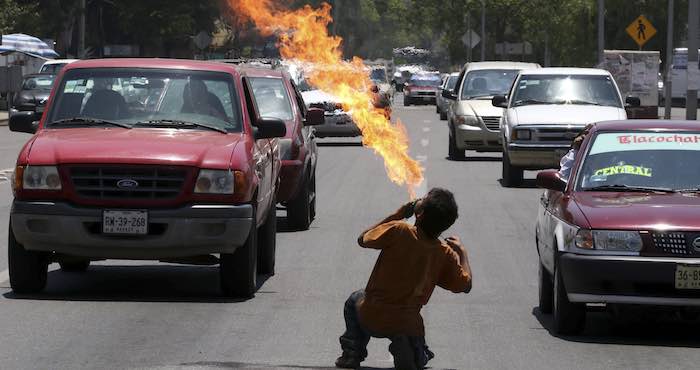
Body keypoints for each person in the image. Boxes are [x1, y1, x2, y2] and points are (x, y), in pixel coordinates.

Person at [336, 188, 472, 370]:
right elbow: (465, 286)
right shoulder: (444, 253)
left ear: (420, 215)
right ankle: (414, 352)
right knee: (419, 350)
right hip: (407, 324)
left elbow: (363, 239)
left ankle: (352, 353)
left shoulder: (399, 230)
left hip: (371, 315)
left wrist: (399, 213)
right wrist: (462, 252)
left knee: (354, 299)